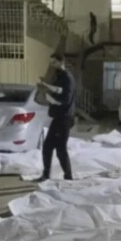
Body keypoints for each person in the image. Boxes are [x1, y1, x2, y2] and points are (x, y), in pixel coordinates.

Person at [36, 53, 75, 181]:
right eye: (51, 62)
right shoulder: (61, 76)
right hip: (59, 118)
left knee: (60, 149)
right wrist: (47, 87)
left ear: (61, 62)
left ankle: (67, 177)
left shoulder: (67, 78)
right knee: (48, 147)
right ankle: (47, 174)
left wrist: (49, 99)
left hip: (64, 118)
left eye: (54, 62)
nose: (52, 65)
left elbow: (65, 99)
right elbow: (60, 90)